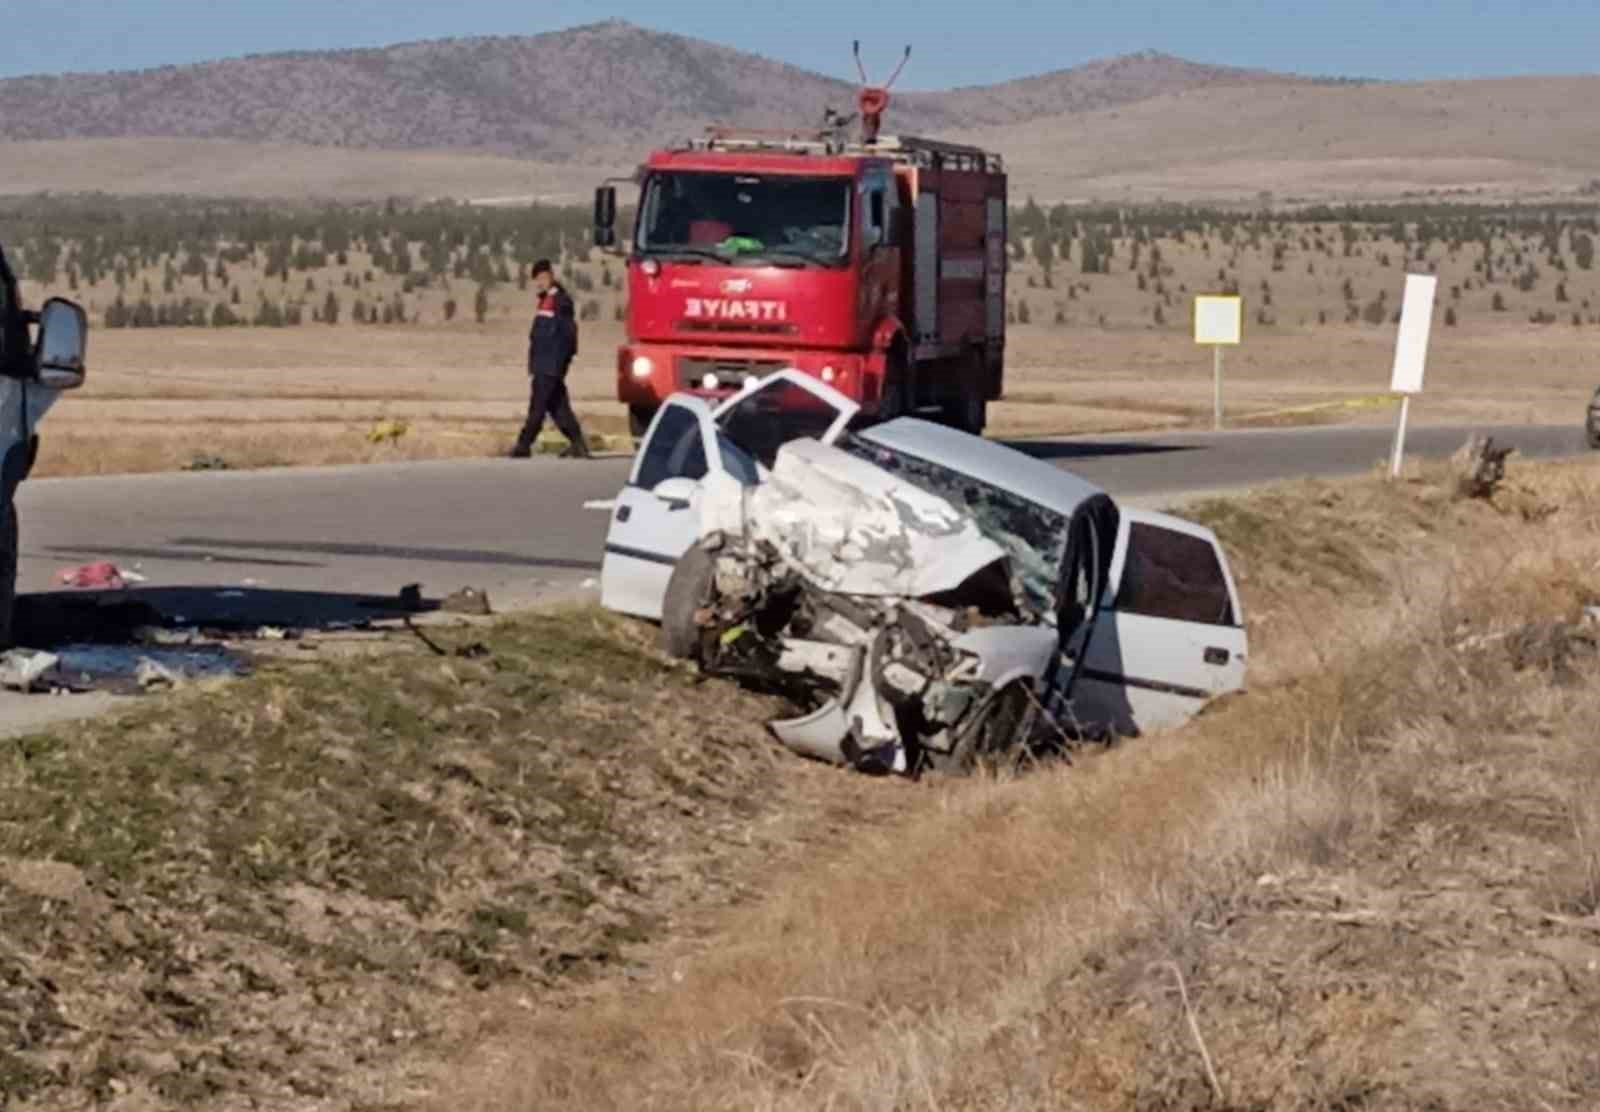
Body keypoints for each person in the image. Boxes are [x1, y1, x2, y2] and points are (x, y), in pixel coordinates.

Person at [510, 259, 591, 459]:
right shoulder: (545, 301)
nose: (540, 282)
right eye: (537, 279)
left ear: (551, 277)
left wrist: (561, 364)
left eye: (543, 278)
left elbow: (568, 336)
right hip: (543, 364)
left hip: (550, 366)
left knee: (537, 406)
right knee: (558, 407)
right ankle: (578, 443)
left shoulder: (560, 302)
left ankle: (523, 445)